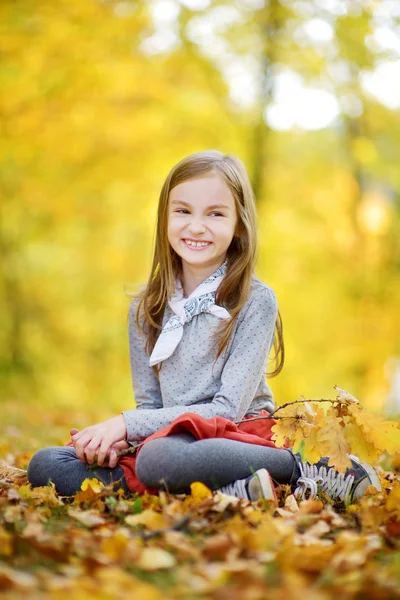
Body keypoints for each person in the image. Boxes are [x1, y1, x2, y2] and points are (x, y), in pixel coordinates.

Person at [27, 150, 381, 503]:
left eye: (215, 214)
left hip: (236, 433)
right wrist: (122, 440)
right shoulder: (145, 308)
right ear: (164, 218)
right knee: (48, 464)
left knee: (159, 459)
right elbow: (150, 407)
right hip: (172, 439)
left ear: (239, 224)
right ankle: (232, 489)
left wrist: (125, 424)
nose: (196, 226)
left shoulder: (254, 300)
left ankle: (298, 467)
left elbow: (228, 409)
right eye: (183, 211)